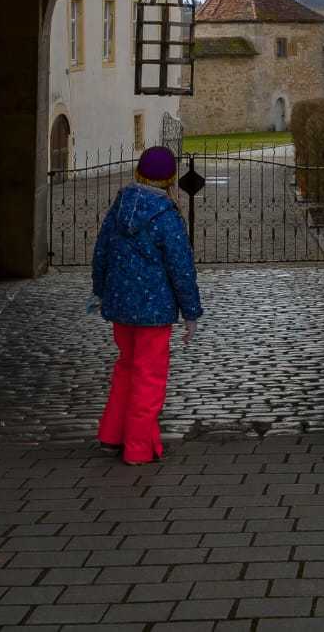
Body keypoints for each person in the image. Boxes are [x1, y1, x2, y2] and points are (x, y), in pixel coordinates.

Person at [90, 145, 202, 464]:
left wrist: (101, 290)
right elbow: (181, 268)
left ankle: (111, 434)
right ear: (169, 179)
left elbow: (102, 253)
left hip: (121, 305)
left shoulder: (119, 207)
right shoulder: (166, 215)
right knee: (149, 376)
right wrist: (191, 311)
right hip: (154, 309)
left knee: (126, 367)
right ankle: (138, 447)